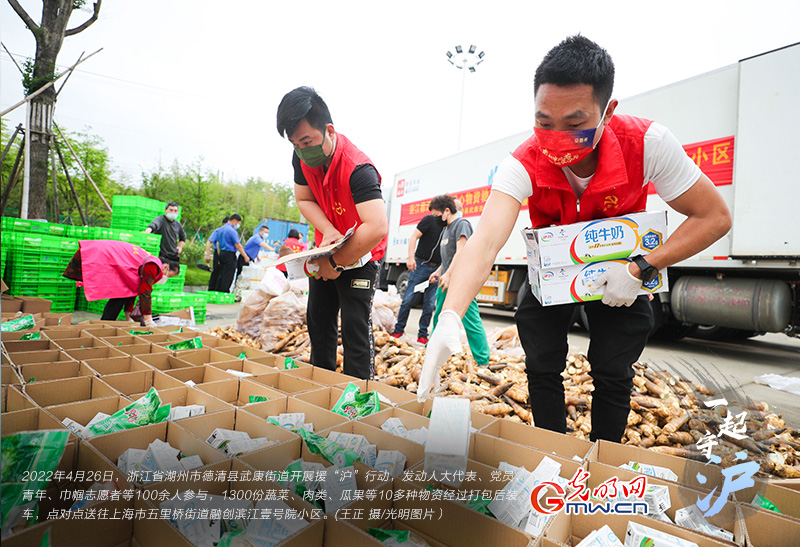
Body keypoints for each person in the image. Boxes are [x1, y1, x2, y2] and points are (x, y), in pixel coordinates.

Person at [419, 35, 731, 443]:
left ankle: (604, 461)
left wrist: (641, 268)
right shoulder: (522, 162)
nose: (558, 138)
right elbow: (485, 242)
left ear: (607, 111)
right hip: (552, 269)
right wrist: (449, 315)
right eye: (545, 123)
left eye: (576, 124)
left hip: (621, 269)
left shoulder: (648, 144)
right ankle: (552, 452)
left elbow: (714, 216)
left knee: (614, 369)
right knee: (541, 361)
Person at [277, 86, 388, 380]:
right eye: (295, 144)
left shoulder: (358, 168)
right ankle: (321, 386)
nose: (302, 150)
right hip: (325, 248)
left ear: (328, 130)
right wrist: (327, 230)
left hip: (362, 253)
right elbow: (305, 199)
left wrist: (336, 263)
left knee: (354, 324)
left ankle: (359, 398)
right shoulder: (302, 158)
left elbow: (376, 227)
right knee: (318, 319)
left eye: (307, 141)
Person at [428, 195, 490, 366]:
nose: (435, 219)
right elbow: (448, 257)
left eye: (436, 215)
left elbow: (460, 252)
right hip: (446, 282)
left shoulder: (461, 225)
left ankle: (483, 361)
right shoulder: (446, 229)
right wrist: (439, 272)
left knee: (471, 322)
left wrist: (448, 274)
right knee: (439, 319)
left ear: (446, 211)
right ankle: (433, 354)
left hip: (461, 283)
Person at [63, 240, 180, 325]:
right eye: (169, 275)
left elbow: (131, 290)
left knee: (120, 294)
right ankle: (104, 327)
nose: (166, 278)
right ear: (165, 267)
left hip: (102, 254)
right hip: (98, 255)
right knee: (118, 297)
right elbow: (145, 292)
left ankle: (104, 325)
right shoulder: (153, 266)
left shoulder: (150, 260)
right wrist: (148, 319)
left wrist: (128, 316)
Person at [391, 195, 448, 345]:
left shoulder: (449, 225)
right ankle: (398, 330)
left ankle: (422, 335)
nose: (435, 216)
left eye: (436, 213)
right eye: (433, 213)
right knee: (408, 299)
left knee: (429, 304)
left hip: (436, 269)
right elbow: (413, 237)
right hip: (420, 265)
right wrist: (410, 258)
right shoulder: (428, 221)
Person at [216, 214, 249, 293]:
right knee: (228, 275)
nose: (238, 225)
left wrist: (219, 255)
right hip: (229, 254)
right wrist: (245, 256)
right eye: (238, 223)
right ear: (234, 221)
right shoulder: (232, 231)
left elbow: (218, 243)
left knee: (221, 274)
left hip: (222, 253)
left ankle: (218, 291)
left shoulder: (221, 229)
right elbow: (238, 245)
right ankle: (224, 293)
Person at [206, 216, 229, 291]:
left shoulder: (230, 232)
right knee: (216, 271)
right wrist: (208, 254)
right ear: (223, 224)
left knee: (223, 273)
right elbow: (209, 241)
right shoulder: (218, 231)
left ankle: (218, 289)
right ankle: (211, 289)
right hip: (218, 252)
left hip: (226, 253)